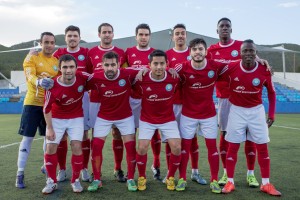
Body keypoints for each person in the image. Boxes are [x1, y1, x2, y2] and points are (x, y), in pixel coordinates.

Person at [220, 39, 281, 196]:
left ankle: (266, 184)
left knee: (262, 147)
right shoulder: (232, 67)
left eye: (251, 51)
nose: (248, 53)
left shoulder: (264, 69)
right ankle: (230, 182)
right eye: (245, 51)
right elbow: (214, 70)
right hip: (237, 111)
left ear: (256, 53)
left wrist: (272, 114)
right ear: (240, 53)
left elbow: (272, 93)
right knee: (232, 147)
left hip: (256, 112)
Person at [207, 17, 258, 187]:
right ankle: (226, 172)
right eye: (221, 26)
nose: (225, 28)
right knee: (225, 135)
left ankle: (251, 174)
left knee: (250, 136)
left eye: (227, 26)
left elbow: (255, 60)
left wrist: (262, 61)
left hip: (244, 97)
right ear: (217, 30)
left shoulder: (241, 46)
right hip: (225, 99)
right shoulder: (211, 50)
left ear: (231, 29)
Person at [175, 38, 226, 193]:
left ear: (205, 51)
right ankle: (182, 178)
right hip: (188, 115)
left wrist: (257, 58)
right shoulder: (182, 68)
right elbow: (164, 74)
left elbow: (236, 65)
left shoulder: (215, 66)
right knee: (185, 148)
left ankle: (214, 181)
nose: (197, 52)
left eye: (200, 49)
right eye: (194, 49)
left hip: (208, 115)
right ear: (190, 52)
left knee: (212, 148)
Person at [87, 52, 140, 192]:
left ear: (118, 65)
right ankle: (97, 179)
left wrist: (166, 69)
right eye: (107, 65)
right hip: (104, 117)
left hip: (125, 117)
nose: (110, 68)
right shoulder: (96, 77)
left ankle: (130, 179)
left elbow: (150, 67)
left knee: (130, 146)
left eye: (113, 65)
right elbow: (79, 79)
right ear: (102, 65)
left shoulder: (127, 73)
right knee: (97, 146)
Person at [42, 54, 92, 194]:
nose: (68, 70)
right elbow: (46, 109)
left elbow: (98, 77)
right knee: (51, 146)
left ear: (76, 68)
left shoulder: (83, 77)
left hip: (76, 117)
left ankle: (75, 180)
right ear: (59, 68)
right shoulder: (52, 85)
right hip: (57, 118)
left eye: (71, 67)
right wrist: (50, 128)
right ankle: (51, 181)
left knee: (77, 146)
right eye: (65, 67)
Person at [15, 32, 59, 189]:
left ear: (54, 44)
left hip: (49, 106)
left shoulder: (56, 62)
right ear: (41, 43)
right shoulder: (32, 57)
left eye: (52, 42)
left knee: (48, 138)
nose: (49, 45)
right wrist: (39, 81)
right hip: (32, 103)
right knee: (27, 138)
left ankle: (46, 166)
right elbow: (29, 76)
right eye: (46, 42)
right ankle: (20, 174)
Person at [50, 25, 93, 183]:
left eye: (75, 36)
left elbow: (91, 75)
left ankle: (84, 168)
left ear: (79, 38)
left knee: (83, 135)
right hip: (62, 98)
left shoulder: (86, 53)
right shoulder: (58, 53)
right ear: (65, 38)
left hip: (82, 97)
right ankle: (62, 169)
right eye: (69, 36)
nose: (72, 38)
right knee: (61, 137)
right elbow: (48, 62)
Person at [165, 24, 206, 185]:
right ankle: (170, 174)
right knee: (171, 139)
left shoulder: (196, 53)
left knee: (192, 139)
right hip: (172, 104)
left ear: (186, 36)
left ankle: (195, 172)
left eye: (183, 33)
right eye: (177, 34)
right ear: (172, 37)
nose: (180, 36)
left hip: (191, 104)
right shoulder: (167, 55)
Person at [135, 50, 181, 191]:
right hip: (147, 119)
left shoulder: (174, 77)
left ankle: (170, 177)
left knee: (177, 147)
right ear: (149, 65)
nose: (159, 67)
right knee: (142, 147)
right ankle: (142, 177)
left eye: (162, 63)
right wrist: (140, 71)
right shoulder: (141, 79)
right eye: (155, 63)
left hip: (167, 119)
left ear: (167, 64)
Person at [88, 23, 127, 182]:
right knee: (96, 137)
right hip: (96, 100)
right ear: (99, 35)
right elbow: (88, 75)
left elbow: (124, 73)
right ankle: (96, 172)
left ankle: (118, 168)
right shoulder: (91, 52)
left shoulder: (121, 53)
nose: (107, 35)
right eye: (104, 32)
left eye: (109, 32)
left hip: (117, 100)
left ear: (113, 34)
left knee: (117, 133)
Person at [124, 23, 162, 180]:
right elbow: (123, 72)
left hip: (150, 99)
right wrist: (137, 70)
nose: (143, 37)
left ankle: (156, 164)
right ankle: (130, 169)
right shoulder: (129, 52)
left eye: (146, 34)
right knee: (130, 135)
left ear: (150, 36)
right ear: (136, 36)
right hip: (132, 99)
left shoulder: (156, 54)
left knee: (154, 133)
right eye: (141, 34)